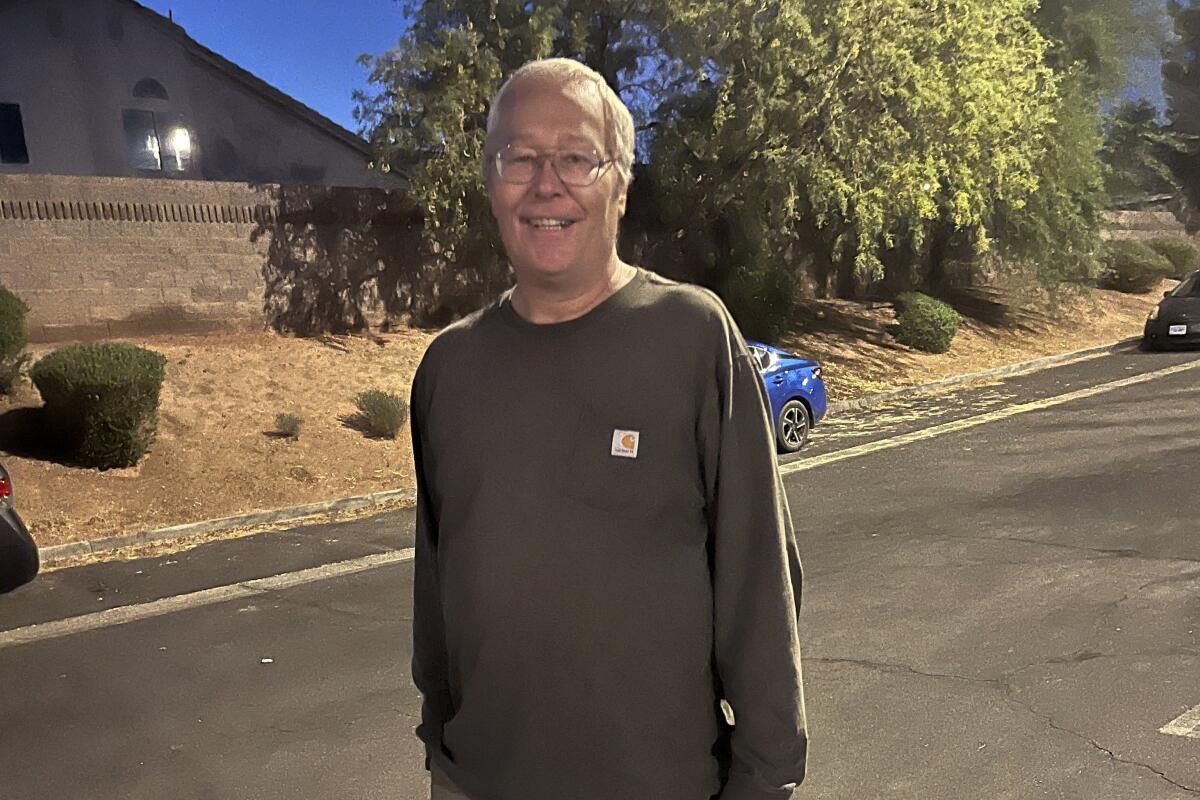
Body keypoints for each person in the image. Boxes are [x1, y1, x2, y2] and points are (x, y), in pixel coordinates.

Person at [409, 57, 807, 800]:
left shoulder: (691, 338)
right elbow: (437, 588)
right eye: (519, 157)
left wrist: (766, 779)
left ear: (621, 184)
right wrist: (441, 750)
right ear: (491, 183)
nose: (546, 183)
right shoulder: (448, 369)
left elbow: (758, 583)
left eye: (577, 158)